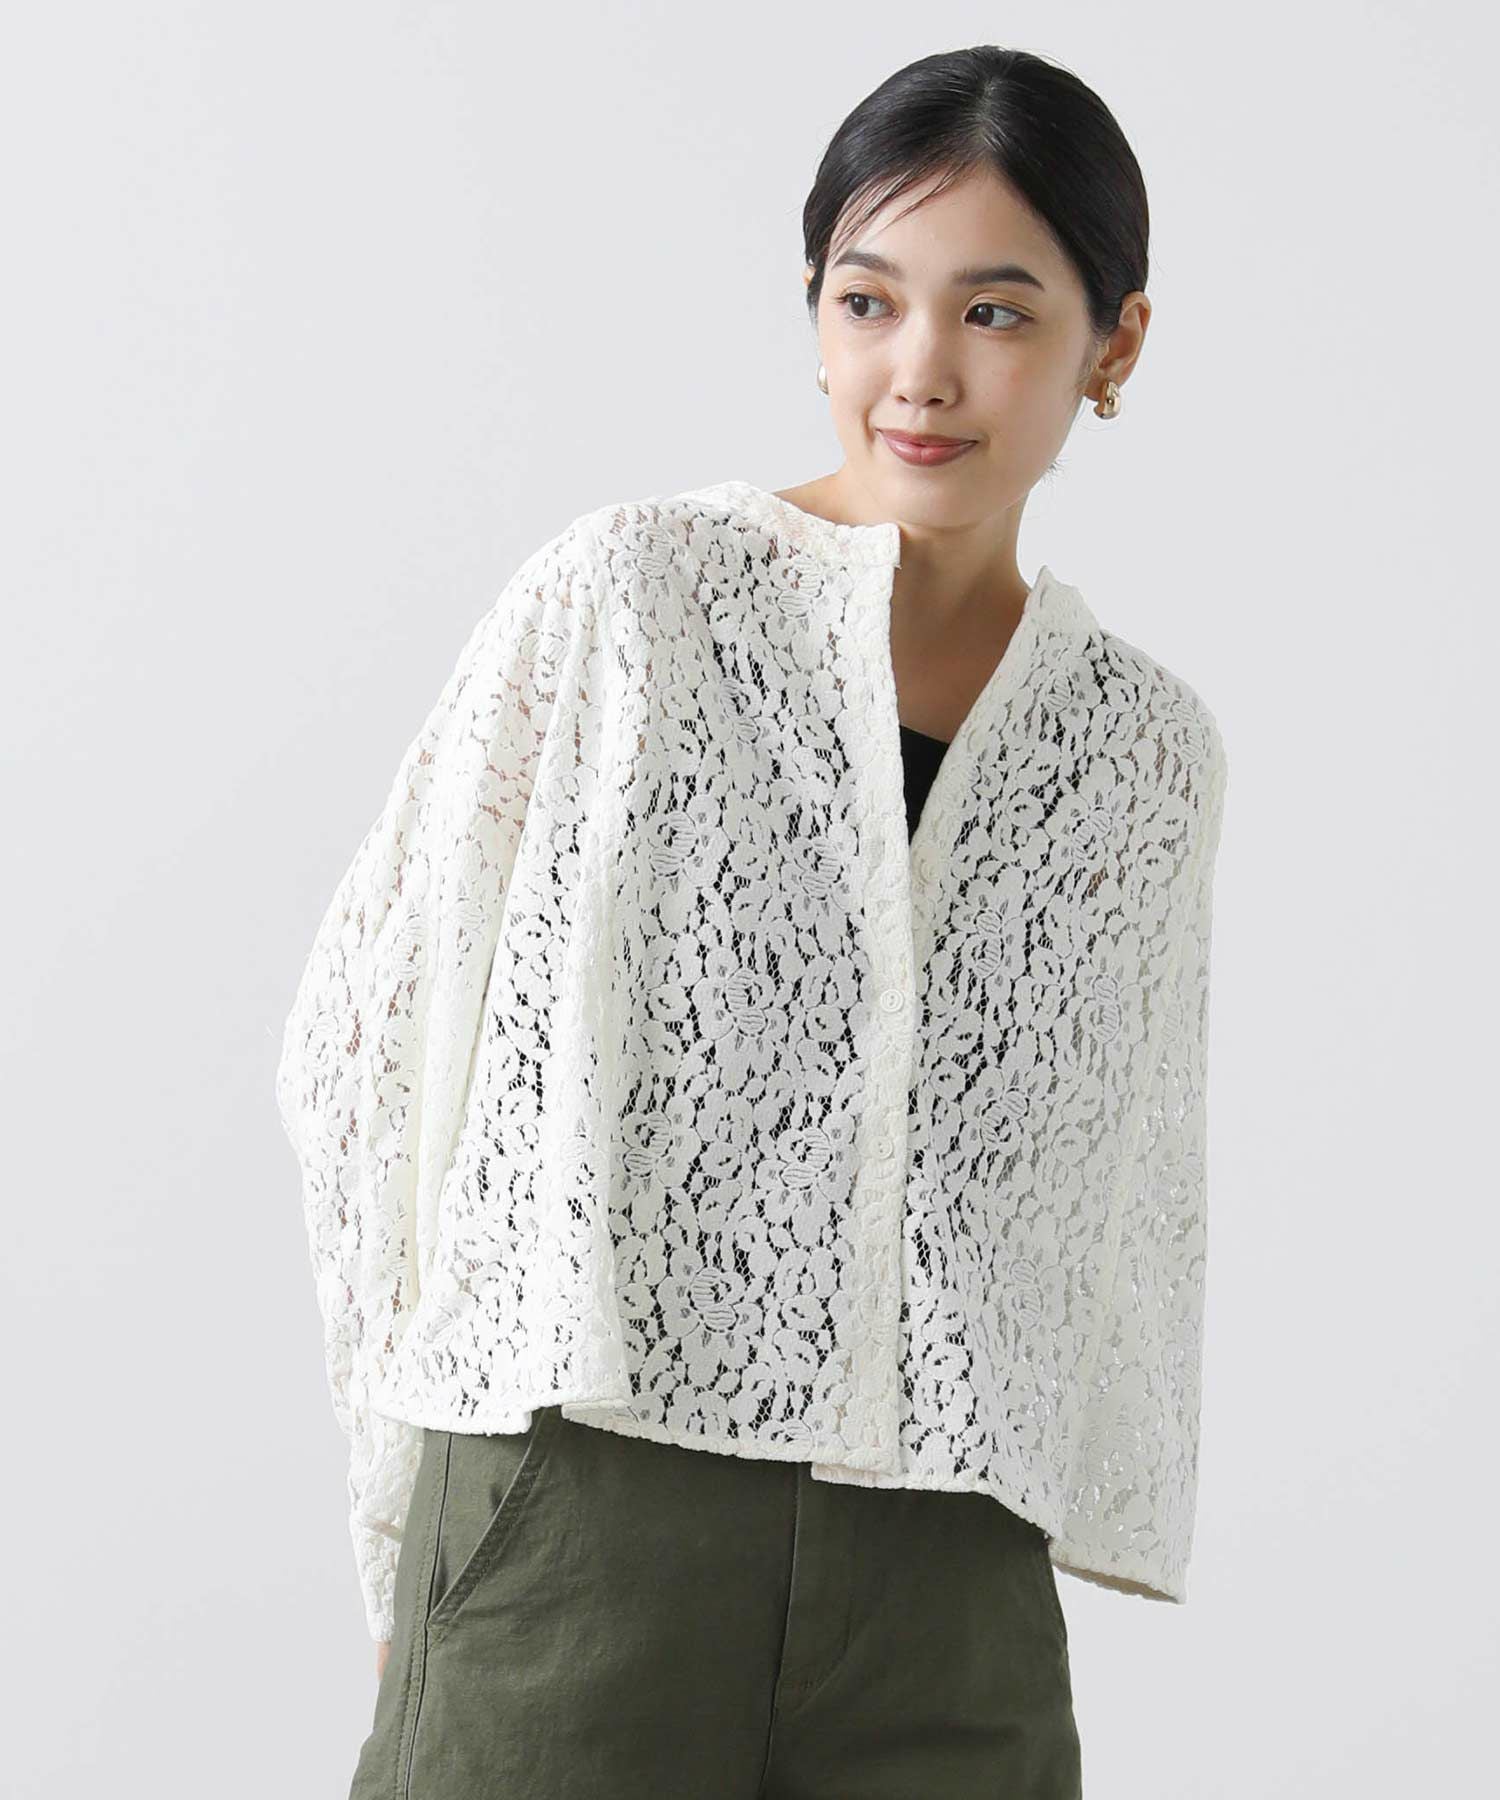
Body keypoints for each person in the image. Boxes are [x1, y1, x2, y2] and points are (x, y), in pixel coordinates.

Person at [276, 43, 1228, 1799]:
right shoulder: (634, 599)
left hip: (950, 1582)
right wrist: (412, 1508)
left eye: (997, 312)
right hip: (584, 1511)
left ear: (1117, 345)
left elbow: (1110, 1206)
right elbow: (369, 1040)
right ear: (816, 312)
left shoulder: (1143, 754)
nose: (919, 369)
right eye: (868, 301)